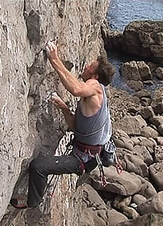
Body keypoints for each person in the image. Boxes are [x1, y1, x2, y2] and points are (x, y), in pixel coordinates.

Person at [10, 41, 116, 209]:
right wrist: (64, 108)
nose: (86, 66)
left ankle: (33, 203)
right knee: (41, 165)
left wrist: (54, 59)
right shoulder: (93, 98)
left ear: (95, 77)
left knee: (38, 167)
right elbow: (76, 128)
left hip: (83, 158)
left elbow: (76, 89)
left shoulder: (96, 88)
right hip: (89, 154)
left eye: (91, 66)